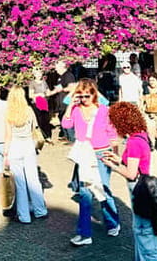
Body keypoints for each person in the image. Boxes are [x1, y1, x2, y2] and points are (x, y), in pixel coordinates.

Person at [103, 102, 157, 261]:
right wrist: (118, 159)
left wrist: (112, 166)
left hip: (139, 189)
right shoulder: (141, 134)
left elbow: (131, 173)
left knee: (144, 231)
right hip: (146, 186)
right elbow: (137, 164)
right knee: (144, 230)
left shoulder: (133, 142)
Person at [63, 79, 120, 246]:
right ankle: (84, 233)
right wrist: (70, 105)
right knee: (85, 193)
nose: (84, 99)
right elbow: (66, 124)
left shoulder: (103, 110)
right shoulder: (75, 110)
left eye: (87, 95)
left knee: (103, 189)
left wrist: (115, 155)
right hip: (84, 154)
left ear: (94, 94)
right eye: (80, 95)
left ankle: (112, 222)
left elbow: (112, 132)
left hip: (102, 153)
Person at [3, 86, 48, 224]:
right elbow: (35, 128)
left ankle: (24, 216)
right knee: (33, 179)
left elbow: (8, 136)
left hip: (15, 147)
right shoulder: (29, 111)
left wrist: (5, 154)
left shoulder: (8, 113)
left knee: (20, 184)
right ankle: (40, 210)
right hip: (28, 145)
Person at [49, 59, 77, 141]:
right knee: (62, 119)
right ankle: (66, 136)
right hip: (61, 104)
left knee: (68, 119)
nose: (55, 68)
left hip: (66, 103)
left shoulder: (68, 75)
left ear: (63, 66)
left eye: (57, 66)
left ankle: (72, 139)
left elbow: (72, 87)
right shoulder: (60, 77)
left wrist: (62, 89)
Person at [28, 67, 53, 138]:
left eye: (40, 74)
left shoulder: (44, 82)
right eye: (37, 74)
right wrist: (38, 95)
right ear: (34, 75)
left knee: (46, 119)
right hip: (37, 102)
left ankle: (48, 136)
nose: (39, 75)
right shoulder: (32, 83)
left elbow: (48, 92)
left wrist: (48, 94)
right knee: (40, 120)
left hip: (44, 102)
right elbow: (30, 95)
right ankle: (42, 136)